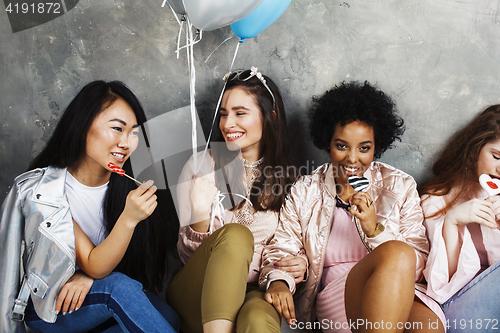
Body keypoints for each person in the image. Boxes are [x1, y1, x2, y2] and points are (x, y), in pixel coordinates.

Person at [260, 81, 445, 333]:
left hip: (399, 289)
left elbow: (419, 265)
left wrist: (373, 229)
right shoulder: (306, 189)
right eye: (342, 145)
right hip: (340, 292)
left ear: (377, 146)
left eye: (364, 148)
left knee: (428, 327)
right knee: (398, 252)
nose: (353, 158)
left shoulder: (399, 185)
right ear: (328, 143)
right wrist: (280, 279)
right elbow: (282, 246)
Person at [0, 80, 179, 333]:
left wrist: (91, 277)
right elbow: (95, 264)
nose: (126, 143)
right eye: (117, 128)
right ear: (83, 126)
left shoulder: (129, 188)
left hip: (97, 299)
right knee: (118, 290)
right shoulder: (42, 193)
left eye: (134, 133)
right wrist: (127, 220)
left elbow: (121, 268)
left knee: (167, 318)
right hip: (47, 307)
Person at [165, 67, 299, 333]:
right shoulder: (202, 166)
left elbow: (292, 248)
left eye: (240, 113)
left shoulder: (290, 180)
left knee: (259, 321)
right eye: (224, 114)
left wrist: (294, 268)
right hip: (197, 290)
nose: (227, 124)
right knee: (237, 235)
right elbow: (186, 256)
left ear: (270, 117)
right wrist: (201, 216)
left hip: (255, 288)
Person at [421, 105, 500, 333]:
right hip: (456, 308)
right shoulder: (436, 200)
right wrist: (452, 222)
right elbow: (441, 287)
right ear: (474, 149)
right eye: (495, 156)